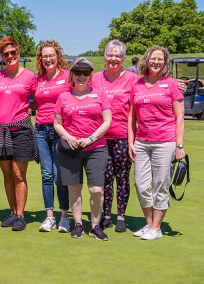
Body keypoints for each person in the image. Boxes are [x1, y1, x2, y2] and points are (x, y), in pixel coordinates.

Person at [128, 45, 185, 241]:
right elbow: (131, 116)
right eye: (153, 59)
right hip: (142, 142)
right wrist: (131, 141)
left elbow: (180, 117)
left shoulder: (171, 84)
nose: (156, 62)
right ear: (147, 60)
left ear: (165, 62)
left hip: (165, 142)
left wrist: (179, 146)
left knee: (160, 184)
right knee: (141, 185)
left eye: (160, 59)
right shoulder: (137, 84)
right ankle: (149, 223)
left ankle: (156, 227)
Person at [54, 57, 112, 241]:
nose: (81, 75)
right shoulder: (63, 96)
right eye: (77, 72)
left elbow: (107, 121)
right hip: (71, 148)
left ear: (90, 75)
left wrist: (91, 138)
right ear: (72, 74)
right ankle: (78, 223)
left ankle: (95, 226)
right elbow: (57, 123)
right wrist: (69, 137)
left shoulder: (100, 94)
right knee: (74, 187)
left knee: (96, 189)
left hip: (96, 148)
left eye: (85, 72)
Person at [93, 40, 139, 232]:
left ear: (123, 59)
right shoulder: (95, 79)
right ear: (104, 58)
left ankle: (120, 215)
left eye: (117, 55)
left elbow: (134, 111)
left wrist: (131, 141)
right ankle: (106, 215)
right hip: (101, 138)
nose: (113, 58)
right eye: (110, 55)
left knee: (121, 178)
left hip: (122, 137)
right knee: (105, 178)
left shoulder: (132, 79)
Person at [0, 36, 37, 231]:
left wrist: (30, 109)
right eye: (6, 54)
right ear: (2, 56)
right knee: (7, 174)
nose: (10, 56)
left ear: (18, 52)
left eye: (13, 52)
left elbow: (38, 99)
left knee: (19, 174)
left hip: (21, 131)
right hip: (0, 130)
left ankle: (20, 215)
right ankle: (12, 212)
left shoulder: (29, 76)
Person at [33, 40, 70, 232]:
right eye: (44, 56)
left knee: (59, 175)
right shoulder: (37, 79)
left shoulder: (67, 76)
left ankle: (65, 216)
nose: (48, 59)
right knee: (46, 174)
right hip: (40, 130)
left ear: (58, 56)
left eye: (51, 55)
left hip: (60, 131)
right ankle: (50, 217)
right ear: (40, 59)